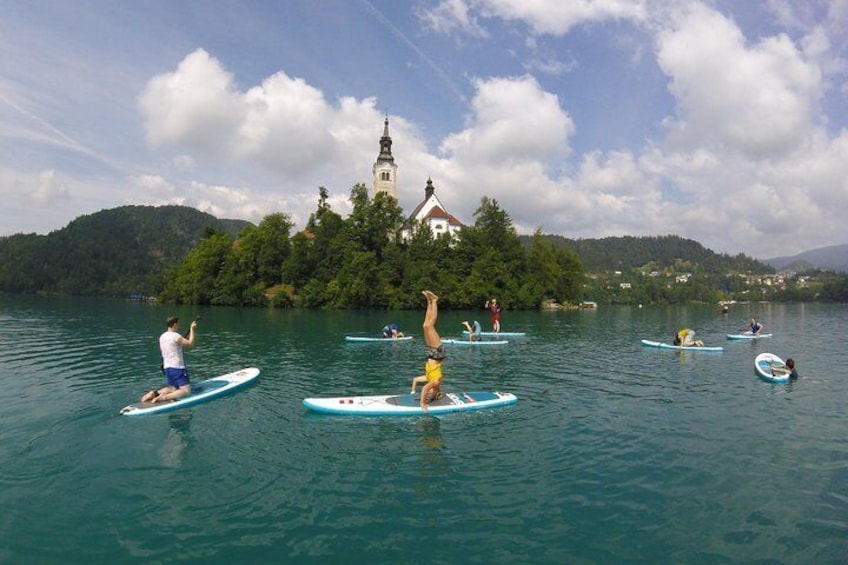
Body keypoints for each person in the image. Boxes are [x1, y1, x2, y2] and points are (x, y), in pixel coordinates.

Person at [141, 316, 197, 404]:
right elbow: (190, 343)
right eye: (178, 324)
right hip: (178, 368)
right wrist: (192, 329)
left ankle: (155, 393)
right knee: (186, 391)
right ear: (174, 324)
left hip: (167, 368)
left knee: (173, 388)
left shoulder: (162, 337)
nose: (179, 325)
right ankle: (163, 397)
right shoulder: (176, 336)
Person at [410, 290, 444, 411]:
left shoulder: (429, 377)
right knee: (430, 326)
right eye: (432, 394)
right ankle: (435, 300)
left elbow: (416, 380)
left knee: (425, 326)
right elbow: (425, 389)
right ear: (436, 391)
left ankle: (429, 302)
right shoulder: (436, 382)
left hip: (431, 353)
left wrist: (413, 391)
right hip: (437, 352)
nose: (430, 394)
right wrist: (423, 404)